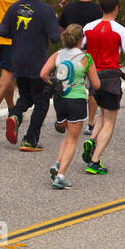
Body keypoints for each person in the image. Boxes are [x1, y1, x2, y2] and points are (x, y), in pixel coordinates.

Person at [0, 0, 61, 151]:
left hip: (17, 60)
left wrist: (20, 33)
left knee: (25, 97)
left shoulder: (14, 7)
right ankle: (30, 140)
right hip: (38, 63)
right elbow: (55, 38)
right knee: (41, 101)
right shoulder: (46, 10)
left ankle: (15, 116)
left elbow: (2, 31)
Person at [81, 0, 125, 175]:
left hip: (93, 77)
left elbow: (82, 49)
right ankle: (95, 161)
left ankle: (91, 140)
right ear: (116, 9)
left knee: (103, 112)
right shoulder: (120, 30)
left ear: (101, 8)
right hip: (111, 77)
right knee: (110, 121)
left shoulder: (88, 27)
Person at [41, 24, 100, 190]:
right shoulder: (86, 58)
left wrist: (54, 84)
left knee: (68, 135)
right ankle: (60, 176)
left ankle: (58, 163)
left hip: (60, 100)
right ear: (80, 39)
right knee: (73, 139)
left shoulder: (57, 54)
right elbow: (95, 84)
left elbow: (43, 73)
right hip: (77, 100)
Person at [57, 0, 104, 135]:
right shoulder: (98, 10)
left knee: (67, 87)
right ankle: (90, 123)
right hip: (89, 55)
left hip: (70, 54)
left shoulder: (69, 8)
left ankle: (64, 118)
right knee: (92, 90)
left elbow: (61, 29)